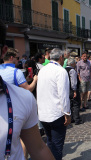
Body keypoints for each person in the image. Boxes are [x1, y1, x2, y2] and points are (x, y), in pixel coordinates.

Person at [0, 19, 54, 160]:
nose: (18, 60)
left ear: (3, 52)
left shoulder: (22, 99)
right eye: (17, 58)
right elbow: (28, 89)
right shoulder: (17, 73)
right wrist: (35, 80)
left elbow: (39, 149)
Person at [37, 48, 71, 160]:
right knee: (56, 146)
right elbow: (64, 95)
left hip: (43, 114)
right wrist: (67, 113)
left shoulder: (42, 70)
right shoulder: (61, 71)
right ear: (61, 57)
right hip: (56, 114)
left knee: (50, 143)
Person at [66, 58, 83, 125]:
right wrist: (75, 91)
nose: (75, 64)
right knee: (76, 104)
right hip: (72, 90)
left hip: (67, 89)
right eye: (74, 63)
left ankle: (72, 118)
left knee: (70, 104)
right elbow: (73, 82)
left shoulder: (64, 69)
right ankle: (77, 119)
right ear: (71, 63)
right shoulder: (72, 70)